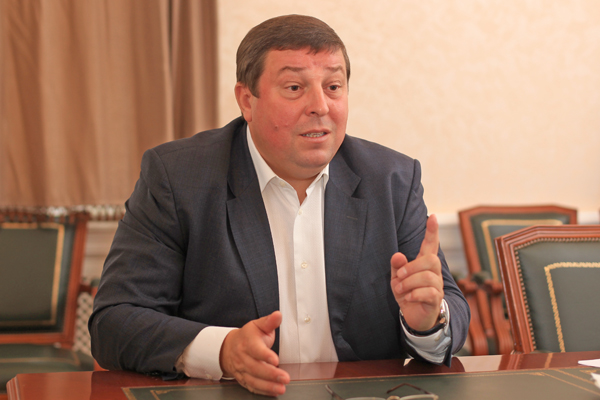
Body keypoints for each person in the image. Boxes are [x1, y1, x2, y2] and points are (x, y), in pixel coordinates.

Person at [89, 14, 469, 397]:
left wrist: (426, 323)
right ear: (247, 101)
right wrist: (222, 351)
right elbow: (115, 321)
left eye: (333, 87)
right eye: (294, 87)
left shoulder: (391, 181)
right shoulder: (179, 178)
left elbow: (447, 308)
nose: (320, 106)